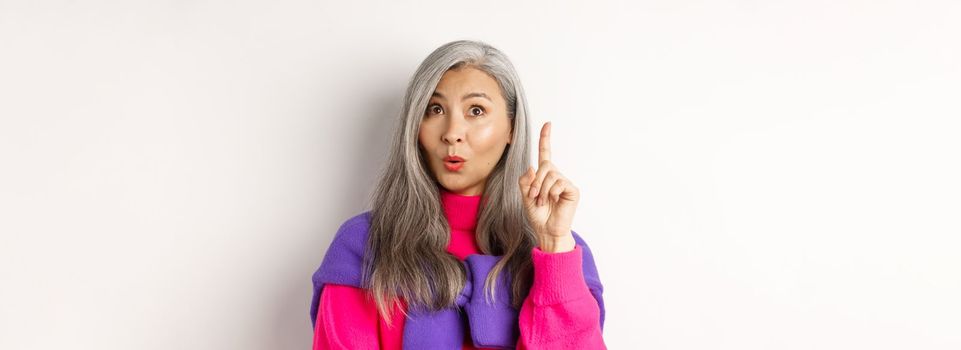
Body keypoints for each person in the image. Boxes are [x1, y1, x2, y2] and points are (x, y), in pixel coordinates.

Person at [309, 40, 606, 349]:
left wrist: (555, 247)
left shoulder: (567, 254)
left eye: (475, 111)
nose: (452, 131)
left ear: (512, 130)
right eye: (435, 109)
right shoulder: (364, 244)